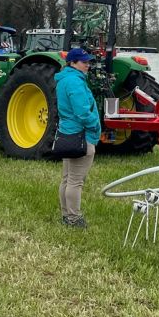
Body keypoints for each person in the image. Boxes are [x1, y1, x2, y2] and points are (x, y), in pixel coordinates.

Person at [56, 48, 102, 228]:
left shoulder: (65, 79)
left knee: (67, 178)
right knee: (75, 181)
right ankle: (74, 219)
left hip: (68, 134)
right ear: (73, 63)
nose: (88, 65)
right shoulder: (75, 82)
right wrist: (95, 125)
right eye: (84, 62)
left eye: (88, 62)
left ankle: (66, 214)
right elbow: (82, 112)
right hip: (81, 136)